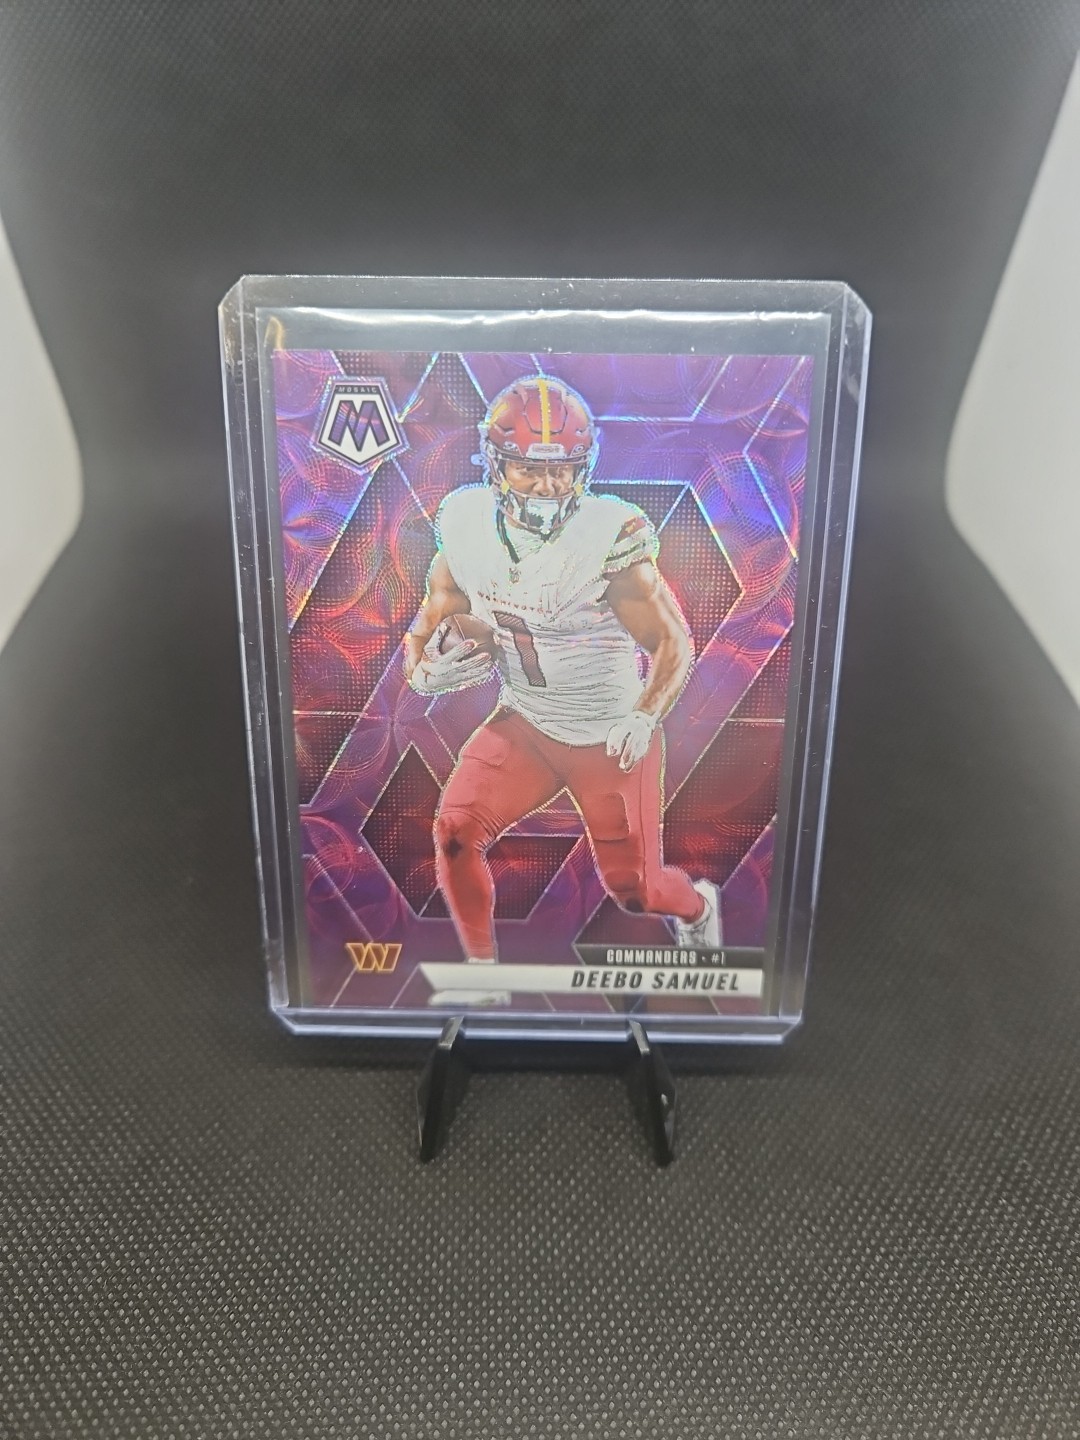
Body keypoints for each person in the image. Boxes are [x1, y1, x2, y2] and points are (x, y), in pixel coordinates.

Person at [403, 375, 720, 1005]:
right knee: (456, 831)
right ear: (495, 464)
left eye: (563, 470)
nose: (549, 486)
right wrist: (420, 670)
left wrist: (644, 715)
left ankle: (698, 906)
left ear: (584, 467)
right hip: (524, 719)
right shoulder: (464, 520)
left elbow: (672, 642)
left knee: (634, 891)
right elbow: (433, 612)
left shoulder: (607, 535)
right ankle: (485, 981)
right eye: (530, 469)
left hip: (606, 734)